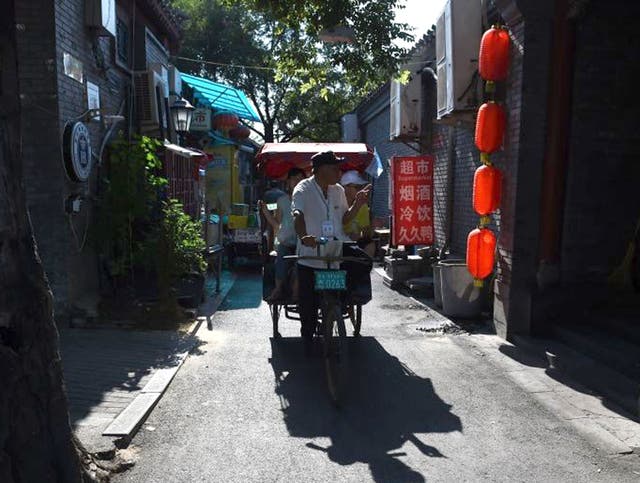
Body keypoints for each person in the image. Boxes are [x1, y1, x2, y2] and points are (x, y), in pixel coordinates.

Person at [291, 151, 371, 353]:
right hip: (311, 254)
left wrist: (358, 204)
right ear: (321, 170)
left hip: (336, 249)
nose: (339, 171)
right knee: (307, 306)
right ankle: (308, 339)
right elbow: (297, 214)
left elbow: (344, 218)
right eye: (334, 167)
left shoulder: (338, 191)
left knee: (364, 261)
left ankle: (342, 300)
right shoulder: (303, 189)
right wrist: (303, 236)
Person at [259, 167, 306, 301]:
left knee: (301, 264)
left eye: (300, 180)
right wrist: (265, 212)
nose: (297, 182)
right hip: (286, 241)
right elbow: (276, 224)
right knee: (281, 261)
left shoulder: (309, 200)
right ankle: (278, 289)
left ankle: (297, 293)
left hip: (305, 242)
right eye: (294, 179)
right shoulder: (282, 201)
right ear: (289, 182)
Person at [340, 170, 376, 258]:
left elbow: (365, 231)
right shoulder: (336, 203)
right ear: (345, 188)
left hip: (356, 241)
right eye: (357, 187)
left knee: (370, 245)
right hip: (339, 241)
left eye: (362, 187)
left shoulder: (362, 205)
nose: (361, 190)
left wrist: (372, 227)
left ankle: (364, 270)